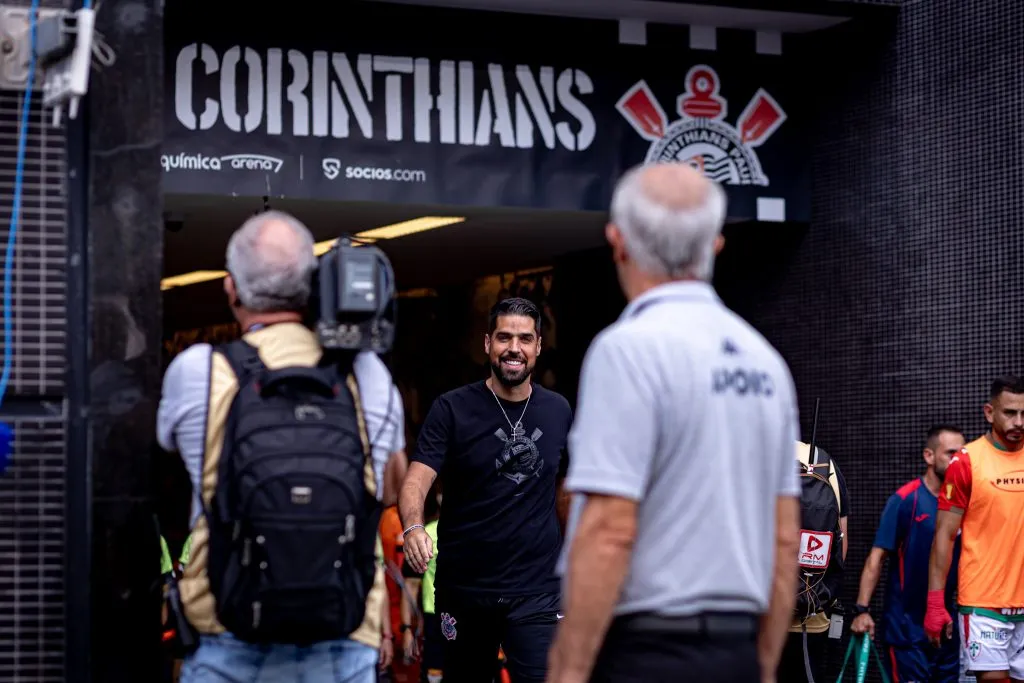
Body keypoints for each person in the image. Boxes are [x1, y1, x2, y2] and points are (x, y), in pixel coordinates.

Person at [546, 163, 801, 683]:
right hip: (736, 649)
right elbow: (784, 538)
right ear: (716, 245)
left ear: (618, 242)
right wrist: (765, 666)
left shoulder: (627, 350)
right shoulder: (766, 363)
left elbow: (609, 529)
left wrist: (568, 671)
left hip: (646, 650)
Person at [157, 210, 407, 683]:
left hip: (227, 635)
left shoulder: (197, 372)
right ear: (313, 284)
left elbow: (170, 456)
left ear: (230, 288)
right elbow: (392, 489)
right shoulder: (366, 373)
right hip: (344, 638)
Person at [400, 297, 573, 683]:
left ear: (539, 346)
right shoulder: (452, 409)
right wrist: (413, 526)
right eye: (504, 337)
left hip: (537, 591)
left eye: (525, 339)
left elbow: (566, 490)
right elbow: (416, 478)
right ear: (487, 343)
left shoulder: (558, 410)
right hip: (466, 590)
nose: (514, 348)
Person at [850, 426, 965, 682]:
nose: (957, 460)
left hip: (947, 630)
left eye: (961, 455)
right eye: (950, 453)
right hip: (907, 631)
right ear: (929, 456)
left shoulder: (962, 503)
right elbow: (876, 558)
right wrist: (861, 610)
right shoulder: (905, 500)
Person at [928, 376, 1024, 683]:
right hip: (983, 603)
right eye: (1010, 413)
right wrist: (935, 601)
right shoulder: (966, 462)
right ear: (989, 412)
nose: (1018, 421)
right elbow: (943, 535)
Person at [778, 441, 850, 682]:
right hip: (810, 615)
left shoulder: (735, 453)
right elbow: (841, 541)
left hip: (752, 617)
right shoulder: (820, 460)